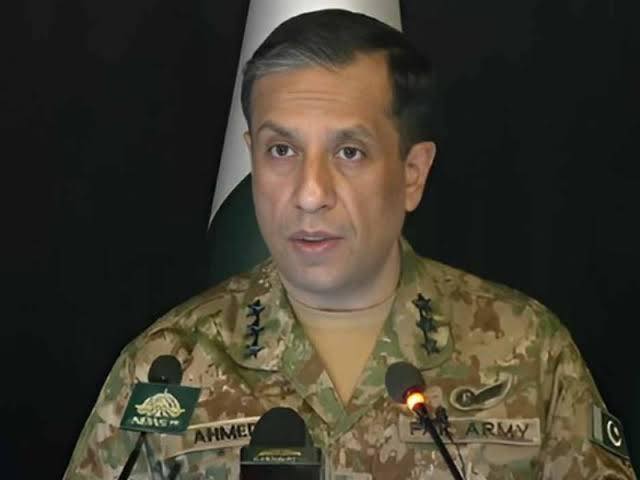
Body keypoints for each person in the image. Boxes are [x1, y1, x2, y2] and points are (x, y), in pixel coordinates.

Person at [65, 9, 636, 479]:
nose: (311, 193)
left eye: (349, 152)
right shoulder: (166, 368)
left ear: (412, 174)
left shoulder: (529, 352)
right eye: (282, 150)